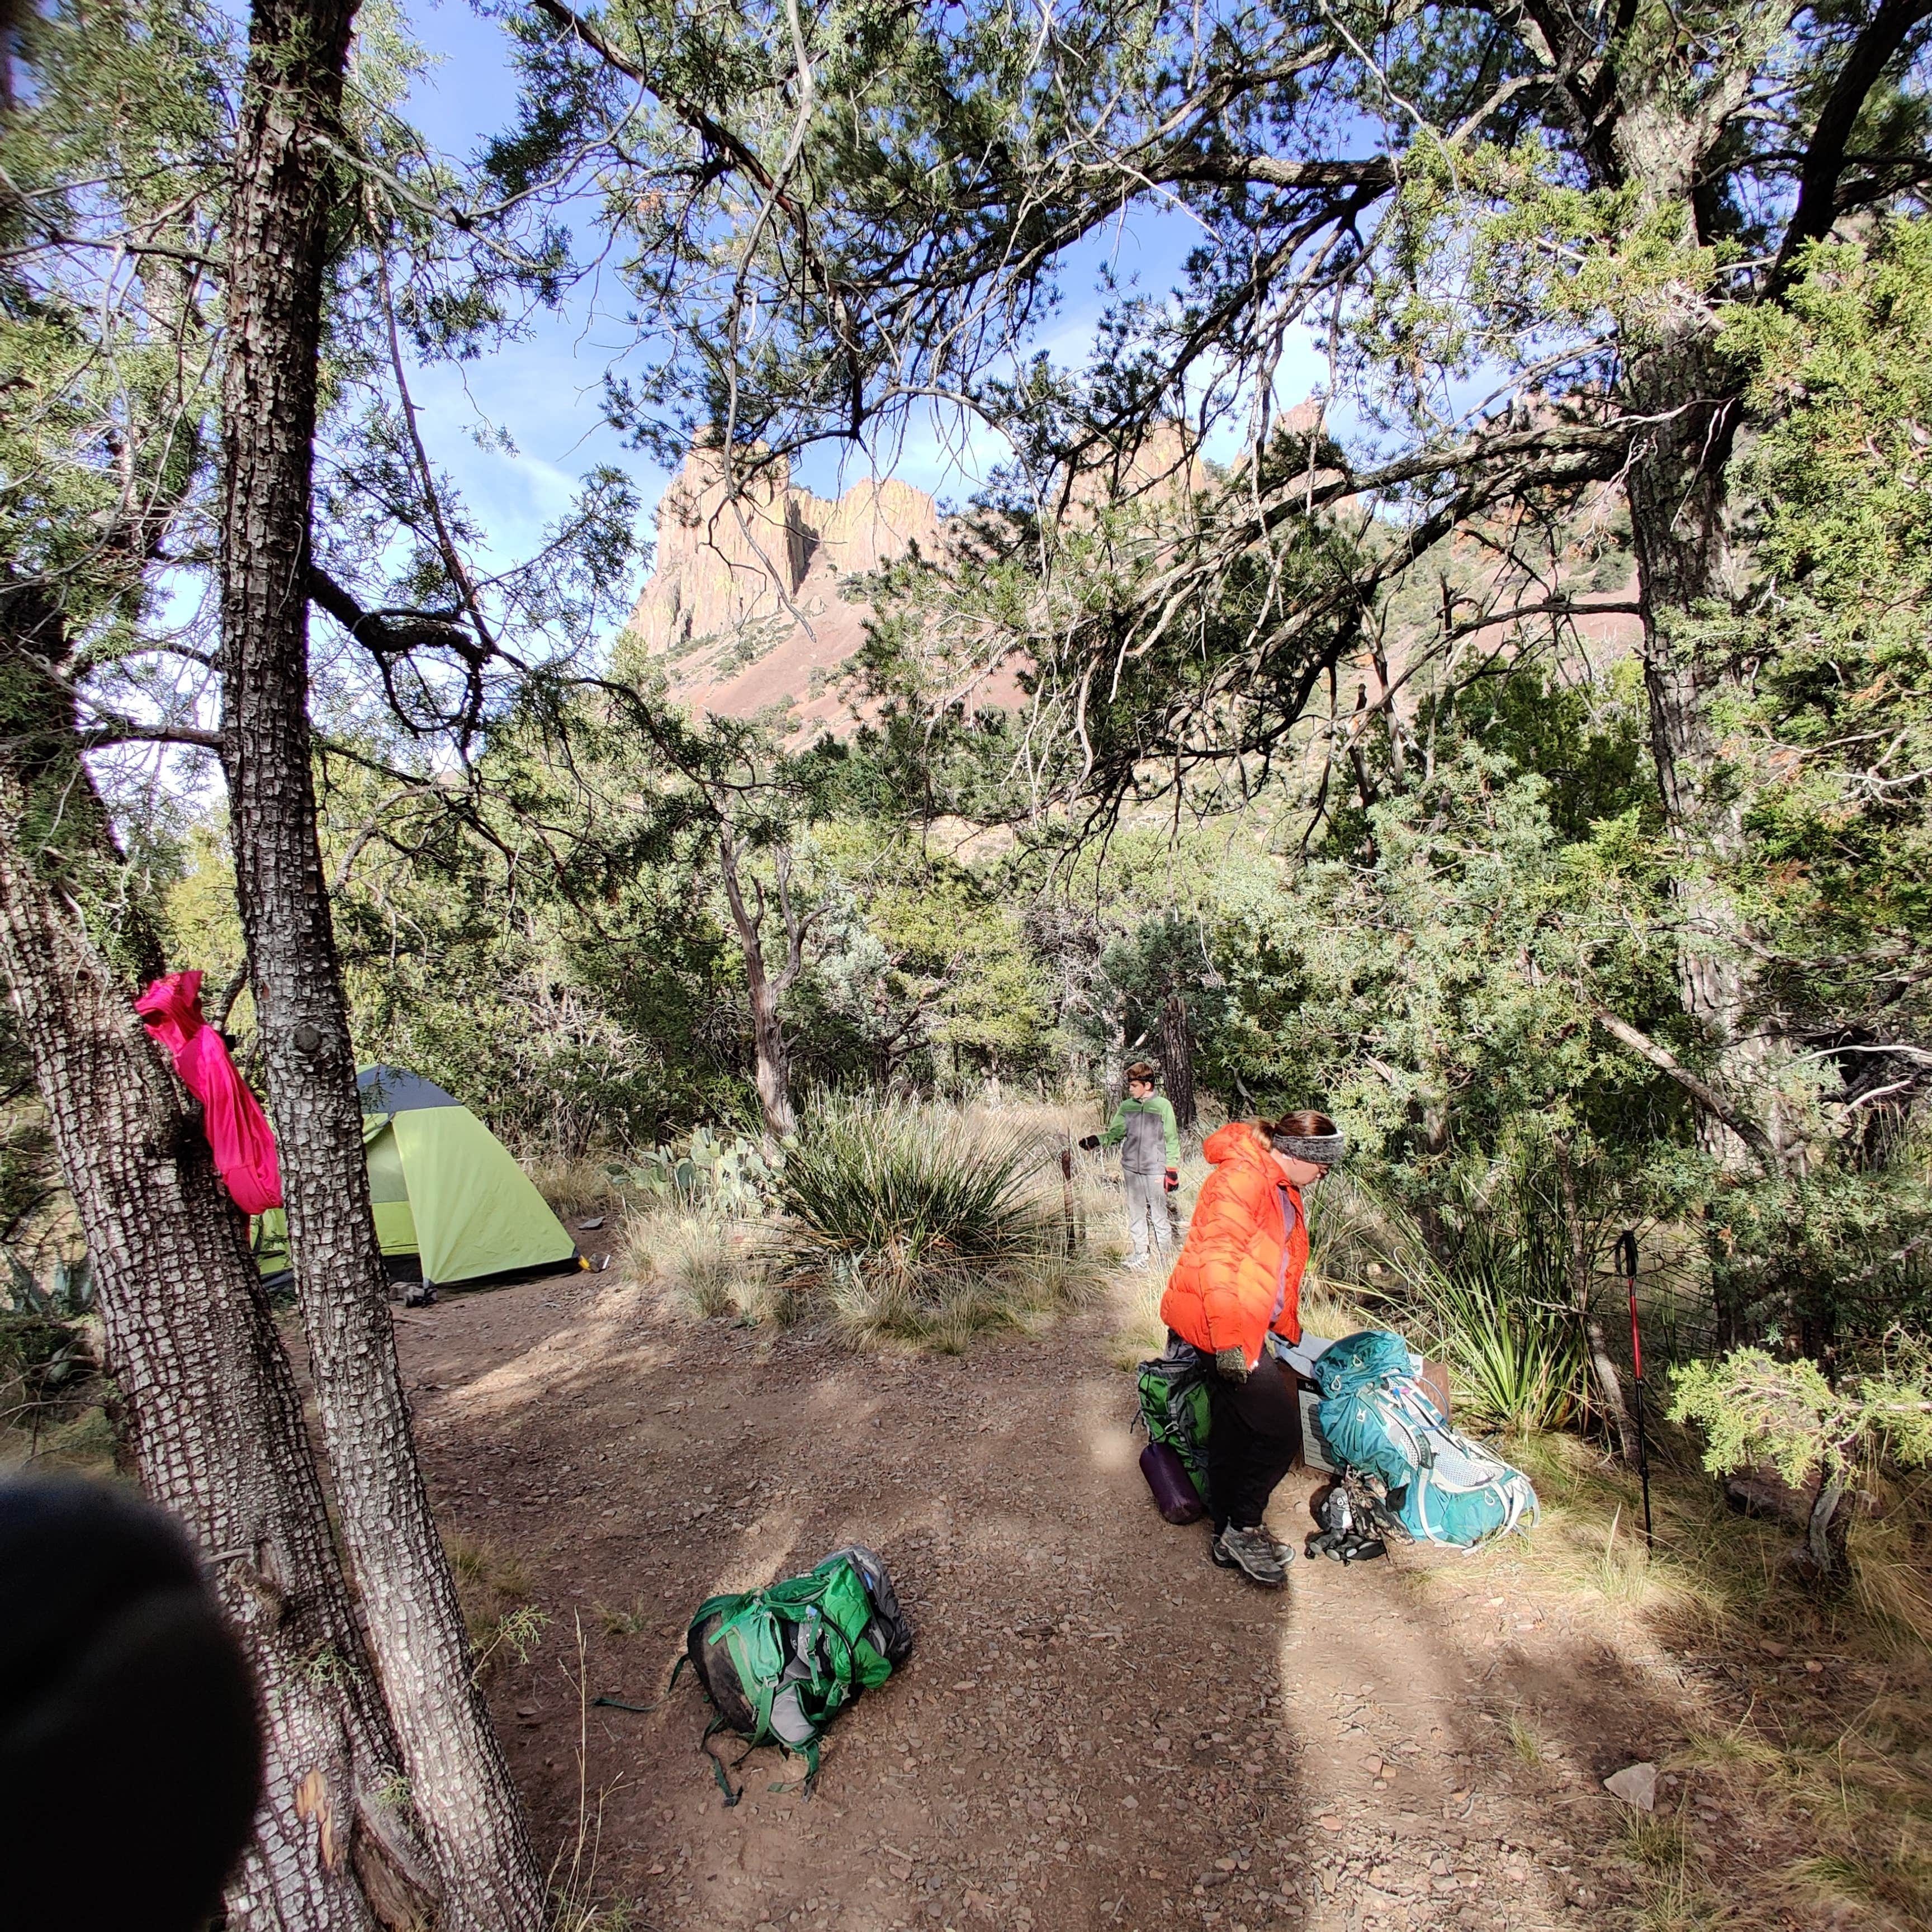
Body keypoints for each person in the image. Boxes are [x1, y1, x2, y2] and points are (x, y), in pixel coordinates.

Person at [1158, 1109, 1345, 1588]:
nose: (1325, 1172)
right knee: (1277, 1434)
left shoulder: (1280, 1183)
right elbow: (1216, 1265)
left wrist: (1283, 1325)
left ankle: (1226, 1534)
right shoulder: (1244, 1180)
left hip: (1246, 1325)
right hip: (1222, 1327)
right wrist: (1228, 1347)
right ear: (1298, 1154)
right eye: (1323, 1163)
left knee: (1233, 1430)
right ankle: (1243, 1525)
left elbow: (1275, 1264)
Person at [1078, 1061, 1181, 1269]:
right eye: (1130, 1085)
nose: (1130, 1089)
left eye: (1134, 1085)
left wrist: (1172, 1170)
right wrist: (1097, 1140)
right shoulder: (1127, 1107)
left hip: (1156, 1168)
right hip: (1131, 1168)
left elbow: (1172, 1138)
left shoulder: (1163, 1106)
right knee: (1136, 1213)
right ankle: (1140, 1255)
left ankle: (1166, 1259)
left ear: (1147, 1085)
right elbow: (1116, 1134)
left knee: (1159, 1215)